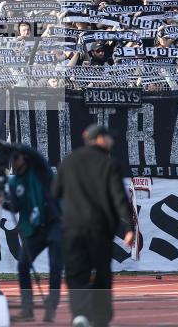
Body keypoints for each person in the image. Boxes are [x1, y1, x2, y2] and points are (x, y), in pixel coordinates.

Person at [54, 124, 134, 327]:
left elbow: (53, 195)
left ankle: (80, 314)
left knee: (76, 272)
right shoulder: (109, 165)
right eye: (109, 138)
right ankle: (101, 317)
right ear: (99, 139)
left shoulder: (69, 162)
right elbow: (119, 198)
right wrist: (127, 228)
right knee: (102, 273)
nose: (112, 142)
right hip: (99, 230)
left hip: (72, 228)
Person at [0, 145, 62, 323]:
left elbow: (35, 155)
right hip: (34, 229)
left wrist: (11, 146)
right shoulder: (14, 181)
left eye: (17, 159)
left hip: (54, 223)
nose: (14, 163)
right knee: (23, 265)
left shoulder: (39, 170)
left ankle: (51, 307)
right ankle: (27, 308)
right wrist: (3, 202)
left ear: (24, 158)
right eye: (12, 160)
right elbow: (16, 207)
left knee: (55, 266)